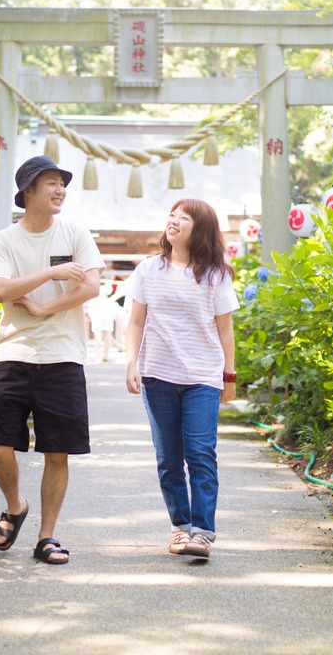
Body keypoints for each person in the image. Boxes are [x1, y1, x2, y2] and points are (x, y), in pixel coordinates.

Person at [0, 155, 105, 565]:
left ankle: (46, 537)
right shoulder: (3, 241)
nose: (59, 189)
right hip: (12, 352)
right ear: (28, 191)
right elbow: (0, 289)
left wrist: (43, 308)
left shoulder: (75, 233)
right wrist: (51, 274)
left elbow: (91, 287)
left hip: (63, 356)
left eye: (62, 183)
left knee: (58, 451)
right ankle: (15, 505)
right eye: (50, 182)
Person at [124, 199, 239, 559]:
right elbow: (136, 321)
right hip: (158, 376)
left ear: (199, 229)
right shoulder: (149, 269)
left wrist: (230, 376)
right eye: (172, 215)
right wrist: (131, 362)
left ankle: (202, 533)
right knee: (169, 459)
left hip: (203, 377)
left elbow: (226, 329)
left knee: (200, 453)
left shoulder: (216, 275)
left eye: (183, 217)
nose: (173, 220)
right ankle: (180, 527)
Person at [86, 285, 119, 362]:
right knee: (98, 339)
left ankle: (106, 356)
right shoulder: (95, 301)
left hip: (108, 321)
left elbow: (113, 312)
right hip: (98, 320)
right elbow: (91, 311)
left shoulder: (109, 301)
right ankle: (98, 356)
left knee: (107, 339)